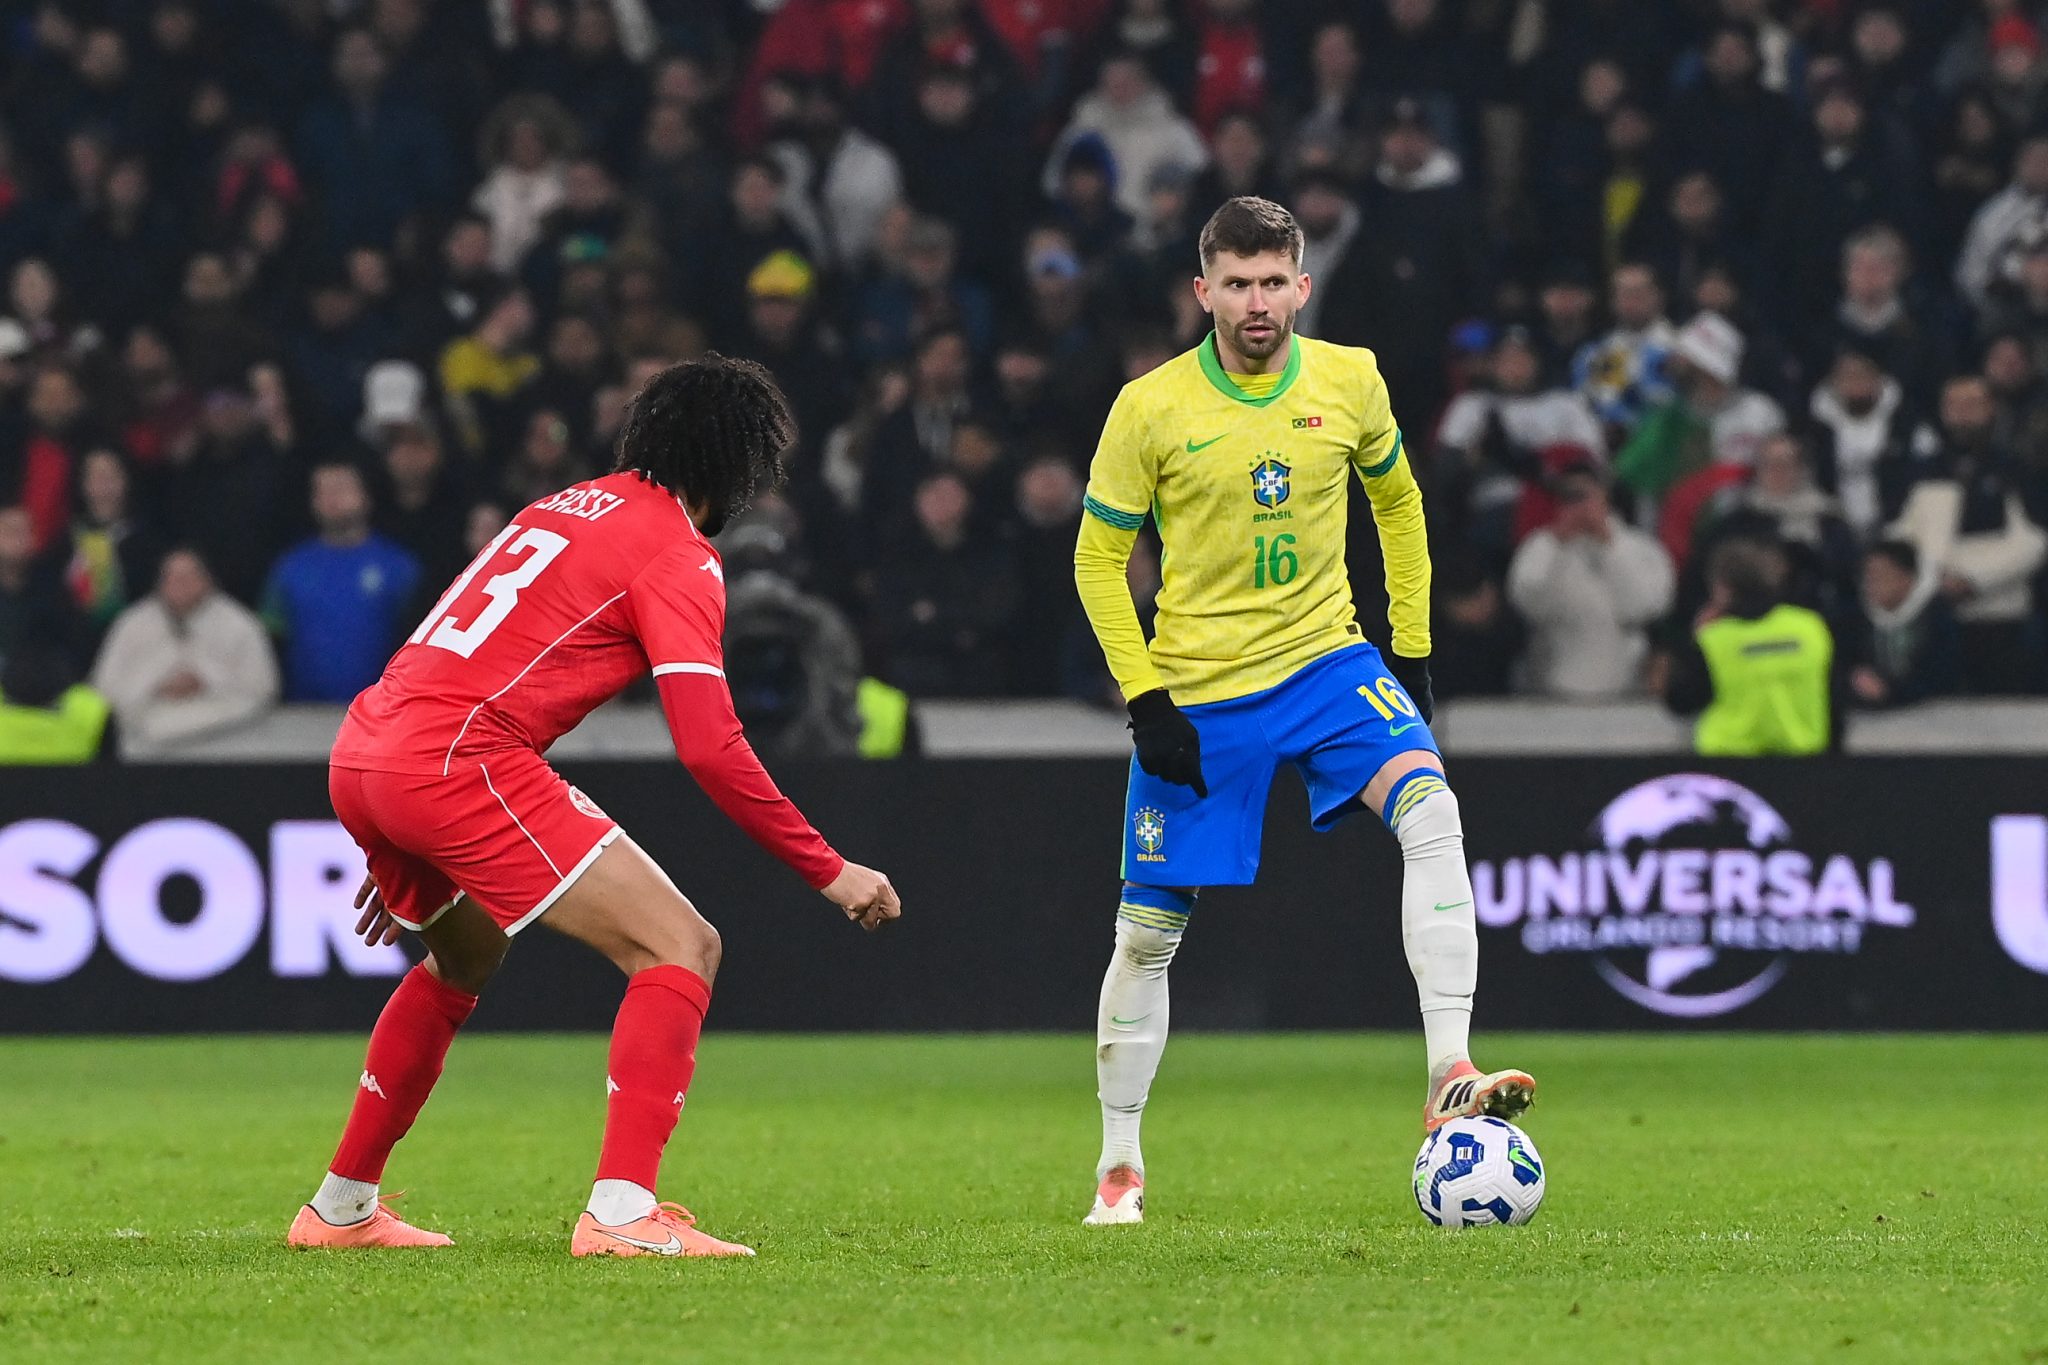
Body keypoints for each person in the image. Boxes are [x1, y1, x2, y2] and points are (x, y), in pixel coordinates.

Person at [290, 355, 899, 1257]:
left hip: (370, 746)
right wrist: (829, 867)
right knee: (681, 944)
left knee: (465, 952)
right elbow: (709, 745)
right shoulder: (677, 552)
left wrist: (411, 808)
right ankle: (621, 1212)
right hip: (454, 760)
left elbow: (471, 649)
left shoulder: (559, 507)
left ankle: (340, 1207)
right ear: (737, 466)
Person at [1071, 197, 1533, 1227]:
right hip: (1198, 687)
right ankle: (1118, 1165)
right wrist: (1144, 696)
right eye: (1236, 284)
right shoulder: (1148, 407)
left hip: (1326, 662)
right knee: (1146, 936)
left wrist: (1409, 648)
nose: (1256, 303)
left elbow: (1399, 503)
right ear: (1203, 291)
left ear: (1302, 286)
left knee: (1433, 812)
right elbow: (1098, 559)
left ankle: (1448, 1071)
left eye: (1273, 282)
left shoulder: (1350, 379)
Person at [1505, 465, 1675, 698]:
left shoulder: (1641, 548)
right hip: (1554, 692)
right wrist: (1559, 545)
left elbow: (1644, 608)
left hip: (1628, 690)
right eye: (1569, 497)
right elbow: (1529, 606)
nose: (1578, 504)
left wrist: (1608, 546)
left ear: (1604, 496)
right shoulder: (1540, 547)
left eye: (1584, 496)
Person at [91, 547, 278, 756]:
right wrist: (156, 684)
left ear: (207, 580)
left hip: (224, 742)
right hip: (143, 747)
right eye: (171, 576)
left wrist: (204, 681)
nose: (179, 584)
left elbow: (261, 690)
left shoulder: (240, 625)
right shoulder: (132, 624)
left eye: (188, 576)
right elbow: (103, 688)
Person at [263, 463, 423, 703]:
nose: (332, 498)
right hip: (301, 710)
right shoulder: (290, 566)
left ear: (366, 497)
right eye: (322, 491)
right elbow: (269, 636)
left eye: (341, 488)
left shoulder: (399, 566)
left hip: (378, 709)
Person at [1663, 538, 1837, 756]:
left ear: (1723, 588)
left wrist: (1692, 640)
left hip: (1728, 760)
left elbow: (1680, 700)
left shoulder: (1715, 639)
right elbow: (1833, 694)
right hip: (1803, 758)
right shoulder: (1810, 628)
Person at [1851, 539, 1961, 708]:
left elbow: (1942, 674)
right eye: (1868, 576)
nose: (1871, 584)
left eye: (1880, 575)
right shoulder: (1860, 615)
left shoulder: (1937, 615)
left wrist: (1891, 691)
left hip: (1933, 710)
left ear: (1906, 577)